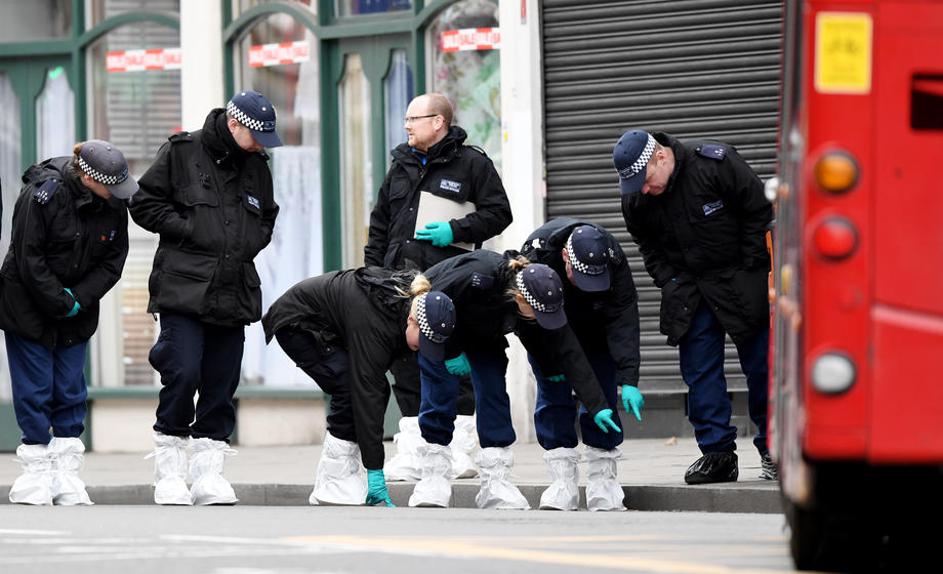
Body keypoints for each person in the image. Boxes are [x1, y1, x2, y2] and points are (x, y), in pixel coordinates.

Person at [129, 90, 281, 505]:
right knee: (183, 372)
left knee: (220, 382)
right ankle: (171, 470)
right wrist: (188, 230)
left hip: (233, 289)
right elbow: (143, 203)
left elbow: (267, 215)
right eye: (257, 136)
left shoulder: (256, 166)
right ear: (235, 125)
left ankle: (210, 473)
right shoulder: (182, 152)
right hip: (183, 286)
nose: (262, 146)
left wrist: (250, 240)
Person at [612, 128, 775, 484]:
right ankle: (717, 455)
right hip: (689, 289)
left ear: (661, 157)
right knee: (700, 373)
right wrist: (670, 282)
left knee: (764, 367)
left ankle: (773, 450)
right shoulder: (637, 200)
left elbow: (760, 213)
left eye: (645, 179)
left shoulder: (715, 165)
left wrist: (751, 268)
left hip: (738, 279)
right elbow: (648, 249)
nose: (642, 189)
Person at [364, 92, 512, 482]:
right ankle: (415, 449)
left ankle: (460, 448)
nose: (407, 125)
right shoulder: (400, 165)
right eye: (406, 119)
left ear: (438, 122)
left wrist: (456, 230)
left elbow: (500, 213)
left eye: (414, 118)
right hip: (400, 283)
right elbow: (380, 224)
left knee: (452, 361)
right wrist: (374, 275)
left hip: (448, 283)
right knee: (406, 364)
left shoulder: (473, 164)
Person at [409, 250, 621, 509]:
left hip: (485, 334)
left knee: (494, 391)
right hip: (440, 328)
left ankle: (495, 482)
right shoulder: (477, 275)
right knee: (440, 393)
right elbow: (428, 300)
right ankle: (433, 480)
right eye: (537, 314)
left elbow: (569, 351)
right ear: (521, 298)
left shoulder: (539, 296)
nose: (542, 320)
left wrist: (597, 405)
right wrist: (452, 350)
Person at [0, 140, 136, 505]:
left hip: (78, 308)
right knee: (36, 389)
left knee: (70, 389)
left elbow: (113, 261)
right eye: (111, 186)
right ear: (89, 178)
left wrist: (80, 298)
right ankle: (36, 472)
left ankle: (66, 474)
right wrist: (62, 300)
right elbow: (28, 257)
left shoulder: (114, 204)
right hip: (28, 305)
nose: (117, 195)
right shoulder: (42, 195)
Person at [262, 267, 456, 507]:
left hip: (333, 325)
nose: (425, 350)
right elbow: (367, 394)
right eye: (423, 343)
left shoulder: (419, 306)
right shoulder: (377, 326)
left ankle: (345, 474)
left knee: (374, 389)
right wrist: (376, 471)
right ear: (411, 321)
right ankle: (334, 479)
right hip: (298, 323)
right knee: (349, 388)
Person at [520, 218, 642, 511]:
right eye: (581, 278)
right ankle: (562, 481)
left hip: (596, 328)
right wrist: (550, 365)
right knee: (554, 395)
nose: (587, 287)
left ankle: (604, 481)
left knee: (602, 395)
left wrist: (628, 378)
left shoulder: (611, 255)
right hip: (550, 328)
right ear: (565, 258)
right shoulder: (538, 255)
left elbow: (624, 317)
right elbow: (527, 323)